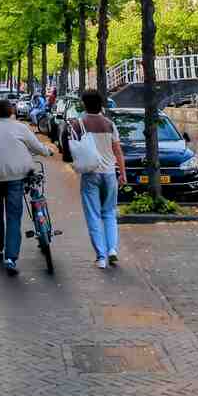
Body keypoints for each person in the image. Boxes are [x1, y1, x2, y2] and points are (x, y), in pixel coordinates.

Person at [0, 98, 54, 275]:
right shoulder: (20, 127)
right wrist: (47, 151)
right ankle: (10, 257)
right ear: (11, 111)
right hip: (15, 178)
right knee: (13, 216)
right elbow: (36, 146)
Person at [69, 89, 127, 269]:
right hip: (109, 173)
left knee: (93, 215)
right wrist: (122, 173)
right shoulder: (110, 124)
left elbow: (73, 149)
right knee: (109, 213)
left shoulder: (78, 124)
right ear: (101, 104)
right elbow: (118, 150)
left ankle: (101, 257)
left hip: (90, 174)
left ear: (84, 104)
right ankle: (112, 250)